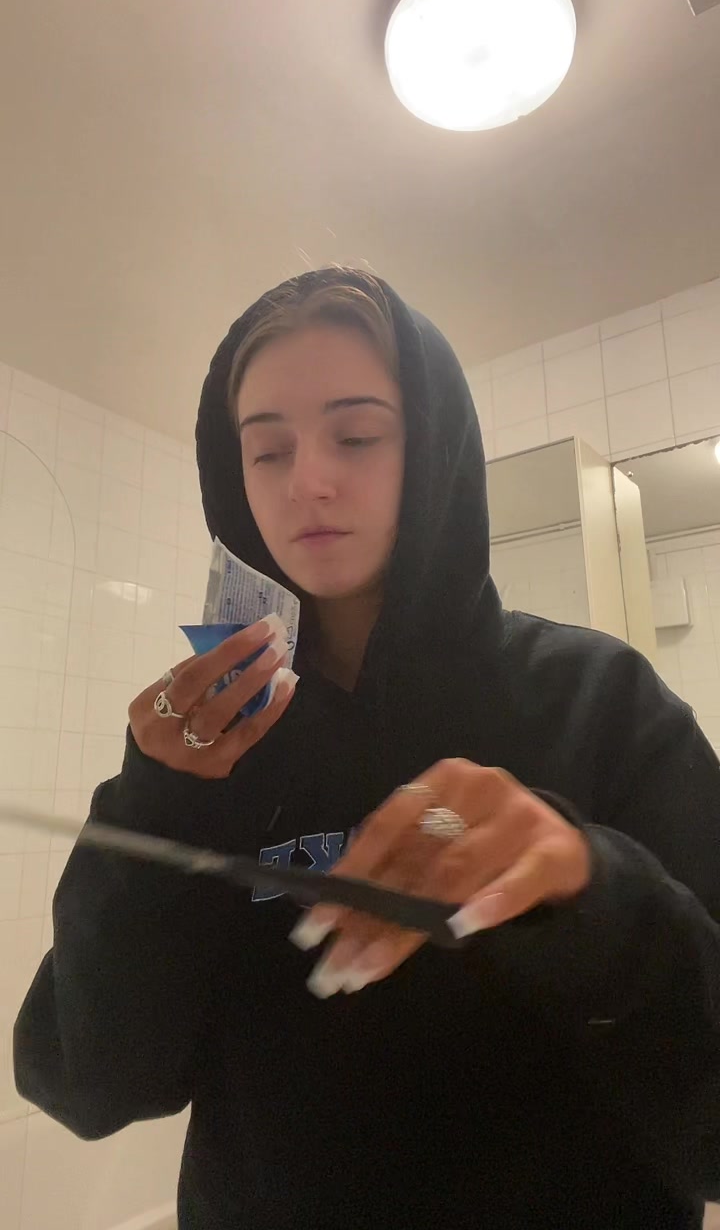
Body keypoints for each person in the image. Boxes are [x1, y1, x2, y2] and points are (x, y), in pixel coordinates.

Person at [14, 266, 720, 1230]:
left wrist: (591, 890)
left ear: (432, 449)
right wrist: (153, 802)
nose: (307, 481)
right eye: (267, 451)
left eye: (356, 436)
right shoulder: (213, 747)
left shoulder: (599, 699)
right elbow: (87, 1084)